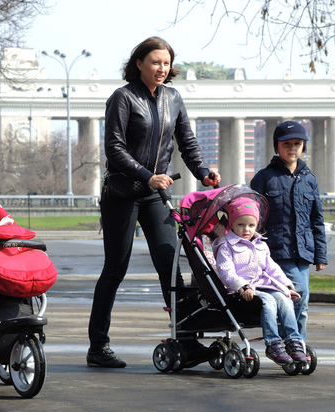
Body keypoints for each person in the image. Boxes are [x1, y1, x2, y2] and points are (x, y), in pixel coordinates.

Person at [87, 36, 221, 368]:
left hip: (155, 194)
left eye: (166, 63)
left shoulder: (173, 98)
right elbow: (114, 149)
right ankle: (98, 346)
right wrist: (147, 175)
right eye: (155, 62)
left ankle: (185, 341)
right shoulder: (122, 98)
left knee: (170, 265)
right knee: (115, 268)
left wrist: (203, 171)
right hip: (121, 192)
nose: (162, 68)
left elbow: (187, 141)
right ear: (139, 64)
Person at [250, 121, 327, 343]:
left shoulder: (309, 179)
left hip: (302, 252)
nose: (292, 148)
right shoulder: (264, 178)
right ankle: (291, 342)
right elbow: (253, 216)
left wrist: (320, 255)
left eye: (297, 143)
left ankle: (296, 344)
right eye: (286, 144)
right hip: (275, 251)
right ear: (277, 147)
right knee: (298, 294)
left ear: (303, 147)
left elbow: (317, 220)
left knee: (300, 303)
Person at [212, 196, 307, 365]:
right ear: (231, 224)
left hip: (263, 284)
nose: (246, 229)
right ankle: (273, 344)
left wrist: (286, 286)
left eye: (251, 225)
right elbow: (226, 273)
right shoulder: (226, 246)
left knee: (284, 299)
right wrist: (243, 286)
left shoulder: (260, 244)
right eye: (240, 224)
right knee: (269, 300)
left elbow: (272, 268)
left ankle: (294, 341)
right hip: (241, 290)